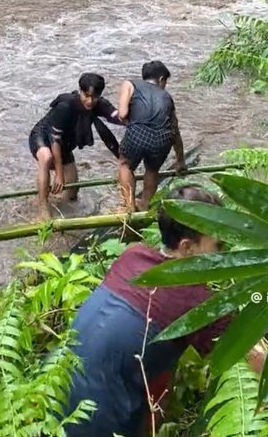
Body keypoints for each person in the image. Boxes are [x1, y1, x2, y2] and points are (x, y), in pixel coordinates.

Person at [61, 185, 235, 437]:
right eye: (217, 245)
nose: (223, 253)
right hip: (102, 423)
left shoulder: (133, 256)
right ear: (187, 247)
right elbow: (250, 360)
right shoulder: (198, 303)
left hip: (54, 394)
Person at [29, 72, 122, 219]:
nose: (90, 101)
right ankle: (43, 204)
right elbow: (55, 141)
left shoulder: (100, 105)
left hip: (64, 145)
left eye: (95, 97)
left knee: (72, 194)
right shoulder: (65, 106)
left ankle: (58, 206)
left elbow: (118, 117)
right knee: (46, 158)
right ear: (80, 91)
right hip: (43, 138)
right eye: (86, 95)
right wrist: (59, 174)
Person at [117, 60, 185, 212]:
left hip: (138, 134)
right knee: (152, 170)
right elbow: (175, 130)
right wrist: (180, 160)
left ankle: (129, 206)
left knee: (125, 165)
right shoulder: (167, 97)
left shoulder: (130, 84)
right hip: (162, 139)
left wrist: (134, 122)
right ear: (161, 79)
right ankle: (145, 205)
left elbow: (122, 114)